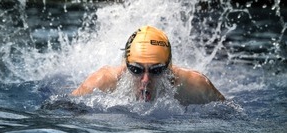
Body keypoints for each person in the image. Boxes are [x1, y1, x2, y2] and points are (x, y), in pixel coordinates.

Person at [71, 25, 225, 105]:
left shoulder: (195, 85)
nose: (145, 80)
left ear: (168, 67)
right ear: (126, 65)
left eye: (156, 70)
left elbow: (233, 115)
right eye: (136, 69)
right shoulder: (102, 82)